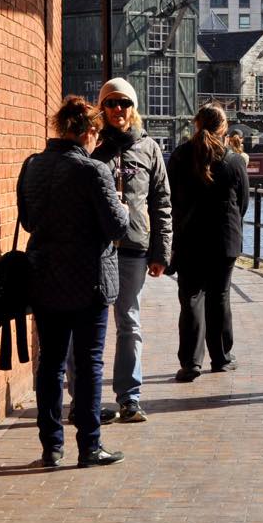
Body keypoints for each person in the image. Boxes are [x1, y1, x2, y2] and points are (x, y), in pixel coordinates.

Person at [20, 96, 129, 468]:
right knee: (88, 364)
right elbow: (117, 227)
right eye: (95, 133)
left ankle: (51, 445)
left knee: (49, 364)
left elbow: (28, 221)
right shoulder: (93, 171)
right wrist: (120, 205)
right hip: (90, 281)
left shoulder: (32, 166)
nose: (96, 141)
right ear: (86, 131)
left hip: (45, 277)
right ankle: (89, 445)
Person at [82, 77, 171, 424]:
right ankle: (84, 400)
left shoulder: (149, 149)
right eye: (111, 103)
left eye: (124, 103)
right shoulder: (92, 146)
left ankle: (129, 398)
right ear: (102, 108)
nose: (118, 109)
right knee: (88, 323)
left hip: (134, 247)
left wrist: (161, 251)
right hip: (97, 247)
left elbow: (162, 202)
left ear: (134, 109)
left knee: (129, 322)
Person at [167, 103, 248, 381]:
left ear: (196, 124)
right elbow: (243, 202)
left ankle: (190, 362)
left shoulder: (179, 156)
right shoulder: (233, 160)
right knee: (221, 296)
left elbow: (171, 199)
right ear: (223, 127)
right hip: (224, 239)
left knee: (190, 297)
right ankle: (222, 358)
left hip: (189, 238)